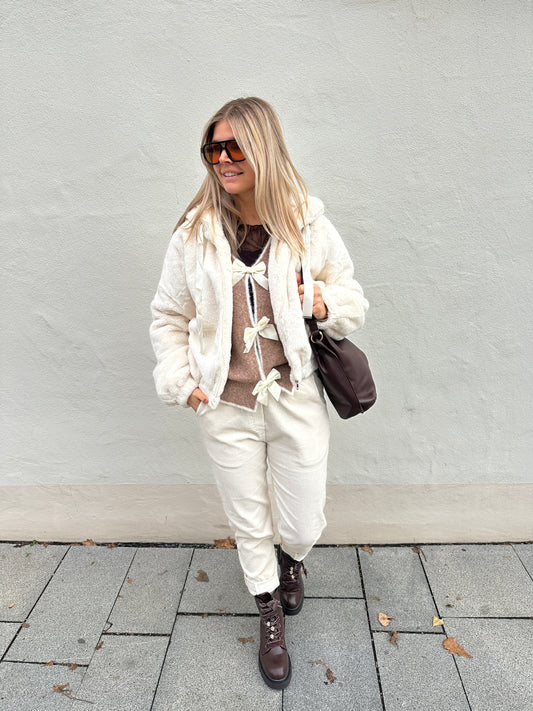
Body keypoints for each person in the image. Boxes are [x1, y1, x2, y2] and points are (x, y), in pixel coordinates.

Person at [150, 97, 369, 690]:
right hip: (225, 404)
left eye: (235, 147)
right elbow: (168, 316)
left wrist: (321, 301)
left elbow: (351, 296)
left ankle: (292, 559)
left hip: (295, 397)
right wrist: (186, 385)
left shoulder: (305, 224)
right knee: (248, 520)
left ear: (263, 149)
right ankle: (269, 610)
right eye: (213, 149)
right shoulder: (194, 235)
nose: (222, 159)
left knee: (301, 521)